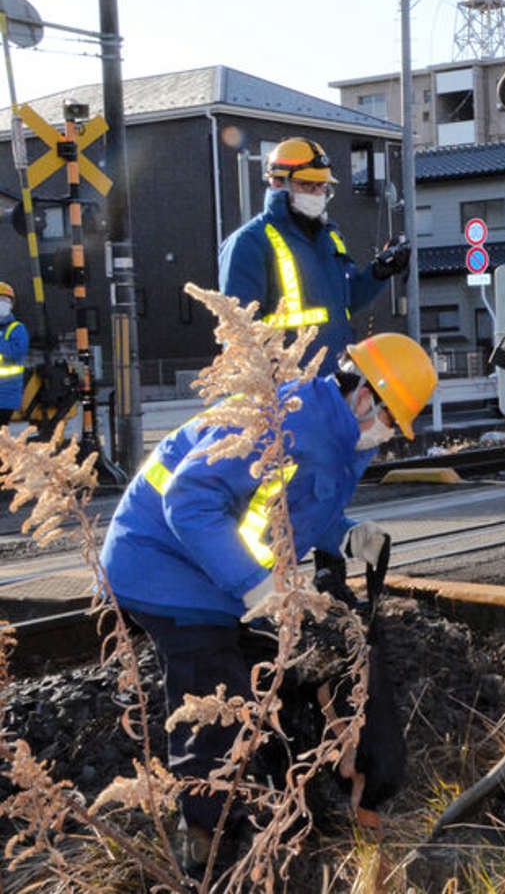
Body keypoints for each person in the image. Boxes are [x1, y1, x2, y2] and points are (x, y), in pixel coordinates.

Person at [99, 333, 436, 863]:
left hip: (214, 570)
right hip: (161, 567)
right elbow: (188, 503)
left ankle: (282, 806)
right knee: (218, 703)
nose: (388, 439)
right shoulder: (288, 421)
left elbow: (291, 508)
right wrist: (254, 586)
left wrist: (343, 534)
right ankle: (204, 849)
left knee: (278, 677)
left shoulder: (332, 432)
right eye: (393, 424)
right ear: (367, 399)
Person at [219, 138, 411, 374]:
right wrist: (266, 393)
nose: (318, 193)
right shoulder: (249, 242)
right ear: (278, 183)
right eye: (308, 185)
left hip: (336, 380)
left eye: (322, 187)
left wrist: (379, 272)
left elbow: (345, 303)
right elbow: (239, 332)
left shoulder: (328, 237)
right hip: (289, 389)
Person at [0, 282, 27, 425]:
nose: (2, 304)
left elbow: (17, 352)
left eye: (5, 300)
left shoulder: (17, 329)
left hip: (6, 396)